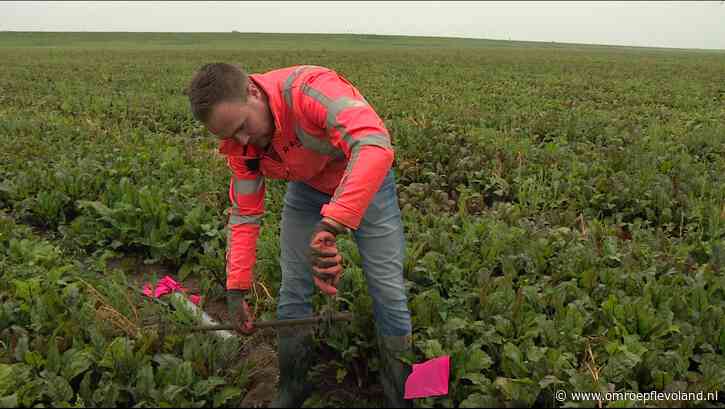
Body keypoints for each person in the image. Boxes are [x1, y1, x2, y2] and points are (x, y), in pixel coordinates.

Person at [187, 63, 412, 408]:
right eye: (230, 136)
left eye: (243, 126)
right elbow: (245, 214)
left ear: (252, 91)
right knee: (293, 289)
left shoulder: (311, 90)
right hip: (308, 189)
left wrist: (334, 222)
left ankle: (403, 394)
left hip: (368, 185)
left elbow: (373, 145)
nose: (243, 141)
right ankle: (292, 388)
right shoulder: (242, 148)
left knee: (387, 288)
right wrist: (236, 288)